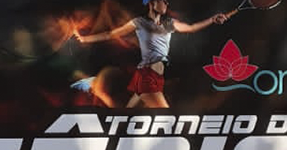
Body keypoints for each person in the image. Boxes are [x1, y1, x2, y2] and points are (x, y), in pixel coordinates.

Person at [76, 0, 229, 108]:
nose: (166, 4)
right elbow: (110, 34)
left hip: (152, 73)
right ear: (152, 3)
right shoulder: (140, 22)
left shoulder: (169, 23)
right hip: (149, 74)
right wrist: (85, 39)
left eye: (166, 2)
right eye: (162, 1)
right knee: (166, 117)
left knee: (127, 114)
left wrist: (212, 20)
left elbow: (191, 28)